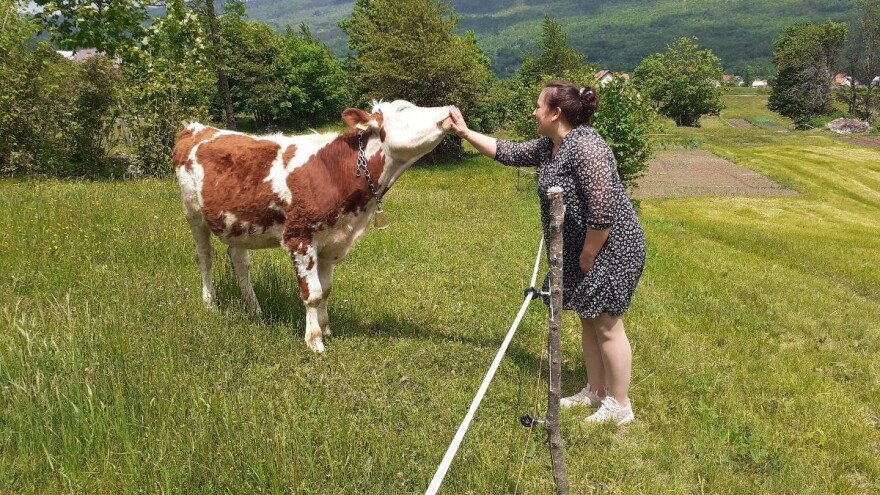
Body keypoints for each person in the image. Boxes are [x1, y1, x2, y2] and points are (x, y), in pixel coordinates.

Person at [448, 80, 646, 425]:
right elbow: (507, 152)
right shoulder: (550, 146)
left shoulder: (587, 147)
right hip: (585, 248)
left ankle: (620, 405)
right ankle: (596, 391)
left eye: (539, 105)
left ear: (556, 113)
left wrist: (586, 256)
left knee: (608, 324)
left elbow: (603, 212)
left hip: (610, 247)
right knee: (588, 316)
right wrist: (465, 132)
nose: (534, 111)